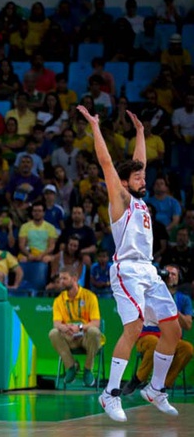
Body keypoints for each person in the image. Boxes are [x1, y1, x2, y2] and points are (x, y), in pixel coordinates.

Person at [78, 105, 181, 421]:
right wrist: (96, 127)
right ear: (124, 182)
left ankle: (155, 389)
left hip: (148, 269)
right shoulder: (120, 198)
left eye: (143, 175)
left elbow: (141, 162)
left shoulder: (139, 199)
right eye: (137, 176)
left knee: (173, 330)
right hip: (126, 270)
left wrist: (140, 132)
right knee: (134, 327)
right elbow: (107, 162)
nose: (143, 177)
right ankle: (110, 394)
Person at [122, 264, 193, 395]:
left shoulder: (184, 299)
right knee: (154, 343)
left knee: (187, 348)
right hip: (147, 336)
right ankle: (137, 379)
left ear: (179, 279)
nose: (170, 276)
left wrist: (172, 309)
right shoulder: (150, 293)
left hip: (171, 340)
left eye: (173, 274)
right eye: (167, 273)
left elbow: (188, 325)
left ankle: (160, 386)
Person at [49, 266, 104, 387]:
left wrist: (79, 328)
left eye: (65, 278)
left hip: (85, 338)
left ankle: (88, 370)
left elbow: (96, 322)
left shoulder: (90, 296)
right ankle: (71, 367)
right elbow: (57, 323)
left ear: (74, 279)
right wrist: (66, 328)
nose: (61, 281)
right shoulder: (59, 300)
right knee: (53, 333)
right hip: (69, 337)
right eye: (60, 278)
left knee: (94, 331)